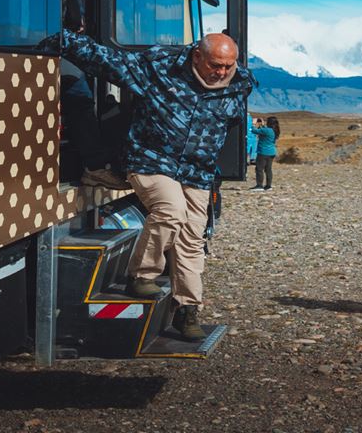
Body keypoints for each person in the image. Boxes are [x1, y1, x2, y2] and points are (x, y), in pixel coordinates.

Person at [53, 29, 253, 341]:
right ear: (197, 56)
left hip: (197, 171)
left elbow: (230, 122)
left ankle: (188, 309)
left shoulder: (240, 83)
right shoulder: (161, 67)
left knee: (192, 237)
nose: (222, 72)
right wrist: (64, 39)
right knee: (170, 212)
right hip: (150, 160)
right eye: (216, 65)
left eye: (229, 66)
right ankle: (141, 275)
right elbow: (110, 62)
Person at [52, 0, 125, 190]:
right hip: (46, 40)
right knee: (79, 94)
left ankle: (95, 165)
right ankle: (95, 167)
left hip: (62, 38)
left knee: (80, 92)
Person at [250, 116, 279, 190]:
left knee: (259, 169)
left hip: (263, 152)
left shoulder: (267, 130)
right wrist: (262, 125)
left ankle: (259, 185)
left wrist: (253, 123)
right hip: (271, 152)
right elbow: (263, 131)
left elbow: (254, 131)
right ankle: (268, 186)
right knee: (268, 169)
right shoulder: (274, 130)